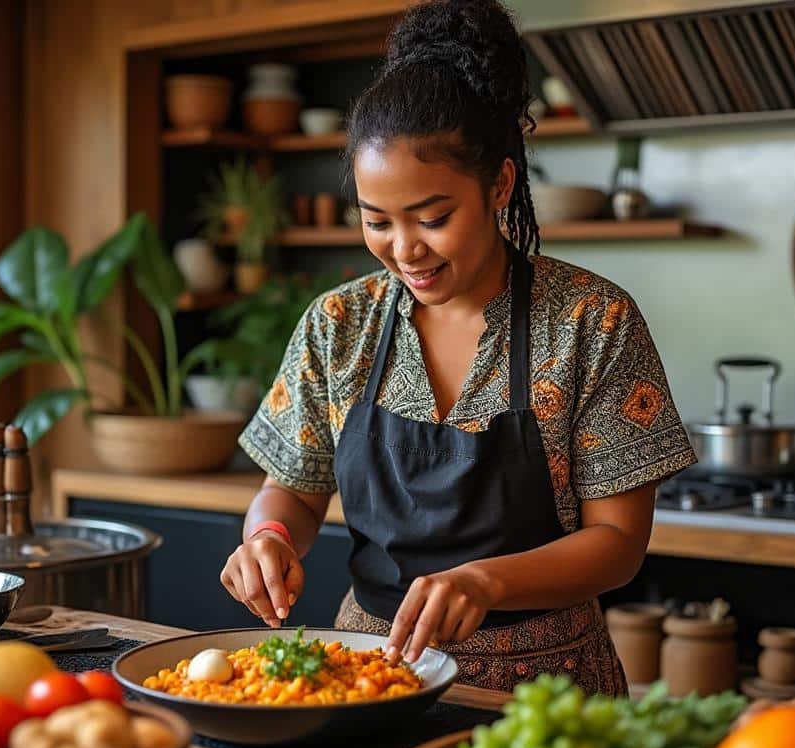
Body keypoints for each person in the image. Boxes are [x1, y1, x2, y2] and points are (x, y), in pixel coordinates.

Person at [225, 0, 696, 693]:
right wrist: (266, 539)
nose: (405, 249)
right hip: (372, 674)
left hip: (548, 690)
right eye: (377, 221)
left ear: (500, 184)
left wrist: (485, 581)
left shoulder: (591, 320)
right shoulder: (338, 323)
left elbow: (618, 545)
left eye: (433, 217)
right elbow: (289, 490)